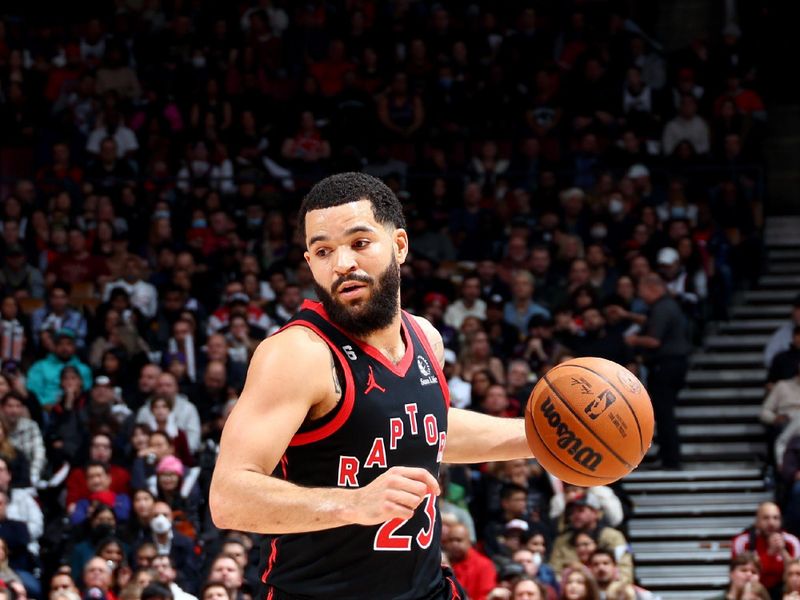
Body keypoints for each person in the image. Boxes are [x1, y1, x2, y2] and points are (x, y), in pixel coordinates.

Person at [210, 173, 533, 599]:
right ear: (310, 263)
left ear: (399, 245)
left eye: (359, 243)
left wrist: (540, 437)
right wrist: (354, 503)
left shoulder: (425, 339)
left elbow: (427, 427)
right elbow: (229, 496)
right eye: (323, 250)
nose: (342, 263)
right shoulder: (298, 354)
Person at [625, 273, 692, 469]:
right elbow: (647, 322)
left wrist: (634, 340)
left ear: (652, 288)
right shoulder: (666, 306)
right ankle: (666, 454)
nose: (640, 296)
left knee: (664, 412)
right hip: (673, 364)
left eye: (642, 291)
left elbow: (654, 340)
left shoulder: (662, 308)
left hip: (667, 365)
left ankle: (671, 459)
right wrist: (627, 316)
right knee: (663, 412)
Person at [731, 503, 800, 597]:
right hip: (752, 590)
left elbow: (795, 572)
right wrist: (769, 553)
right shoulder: (743, 541)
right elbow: (742, 573)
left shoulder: (791, 542)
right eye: (766, 518)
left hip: (782, 590)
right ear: (757, 521)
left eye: (775, 518)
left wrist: (783, 551)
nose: (771, 523)